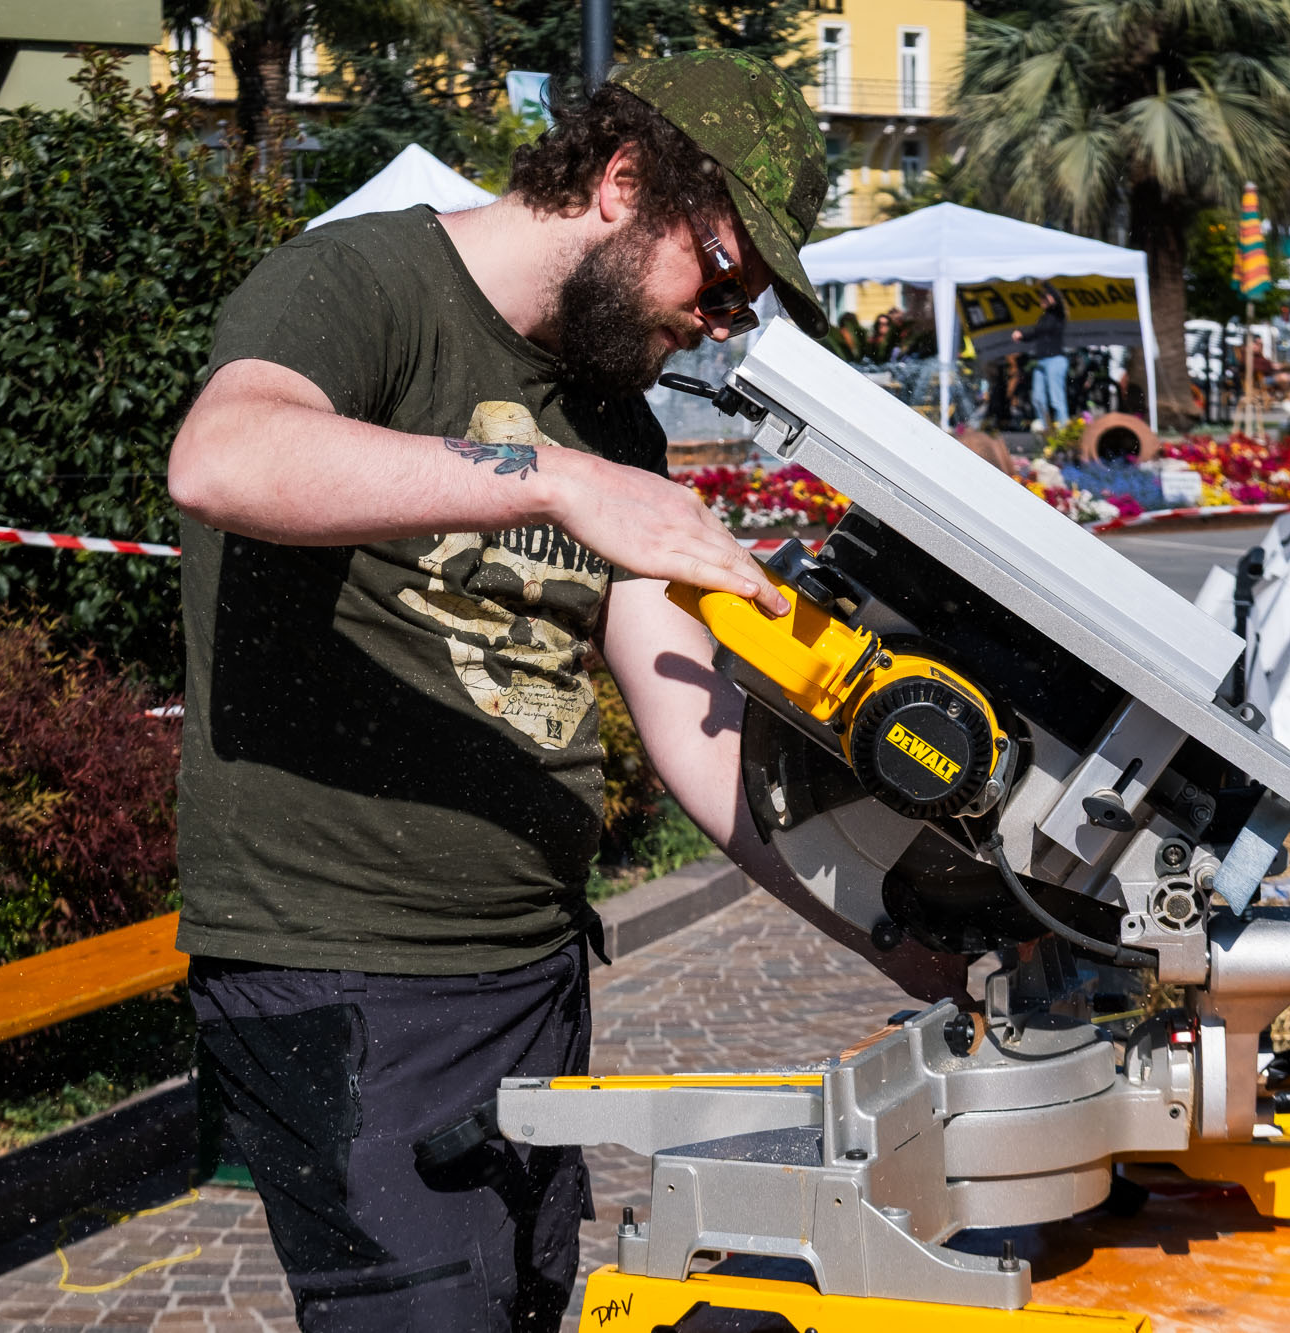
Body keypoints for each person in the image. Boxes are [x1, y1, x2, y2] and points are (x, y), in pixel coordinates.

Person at [165, 51, 959, 1331]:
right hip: (349, 974)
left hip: (527, 973)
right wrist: (552, 479)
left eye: (745, 304)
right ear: (622, 182)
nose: (719, 322)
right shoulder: (360, 284)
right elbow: (222, 457)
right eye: (720, 275)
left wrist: (895, 932)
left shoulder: (611, 414)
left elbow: (693, 729)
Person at [1013, 283, 1068, 434]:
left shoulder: (1058, 314)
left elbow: (1057, 298)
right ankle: (1046, 429)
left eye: (1044, 297)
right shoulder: (1044, 317)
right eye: (1041, 298)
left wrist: (1044, 283)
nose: (1041, 300)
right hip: (1041, 361)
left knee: (1056, 399)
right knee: (1037, 398)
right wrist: (1021, 336)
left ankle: (1064, 431)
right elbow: (1035, 334)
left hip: (1055, 360)